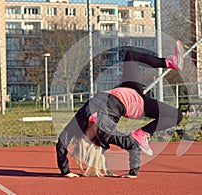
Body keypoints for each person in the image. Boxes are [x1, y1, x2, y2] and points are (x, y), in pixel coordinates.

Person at [56, 40, 184, 178]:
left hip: (126, 89)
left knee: (131, 56)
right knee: (177, 116)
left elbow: (62, 140)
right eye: (91, 139)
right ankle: (141, 134)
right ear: (95, 142)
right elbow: (132, 146)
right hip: (135, 103)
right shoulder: (106, 134)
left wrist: (65, 171)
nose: (89, 134)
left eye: (85, 136)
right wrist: (133, 173)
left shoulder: (81, 120)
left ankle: (170, 62)